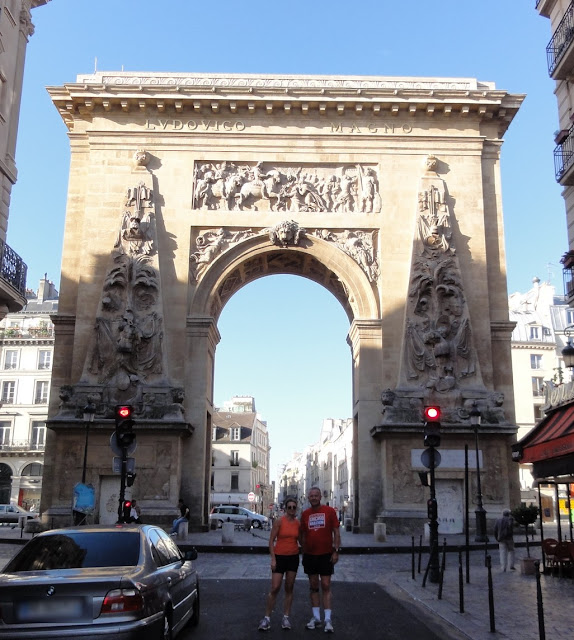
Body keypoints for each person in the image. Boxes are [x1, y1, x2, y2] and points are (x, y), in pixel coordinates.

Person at [300, 487, 341, 633]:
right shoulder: (305, 514)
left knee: (326, 584)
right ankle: (316, 617)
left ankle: (328, 619)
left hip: (325, 554)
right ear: (308, 498)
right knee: (313, 585)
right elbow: (302, 534)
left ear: (320, 497)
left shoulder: (329, 512)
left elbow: (336, 531)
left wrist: (336, 550)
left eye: (316, 495)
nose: (314, 498)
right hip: (310, 555)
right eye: (311, 496)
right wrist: (303, 550)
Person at [258, 496, 301, 632]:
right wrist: (273, 559)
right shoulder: (279, 522)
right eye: (290, 507)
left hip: (293, 557)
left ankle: (286, 617)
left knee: (289, 587)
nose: (292, 510)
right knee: (275, 587)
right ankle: (266, 618)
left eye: (294, 507)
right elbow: (271, 541)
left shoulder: (298, 523)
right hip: (280, 557)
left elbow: (301, 540)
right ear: (285, 509)